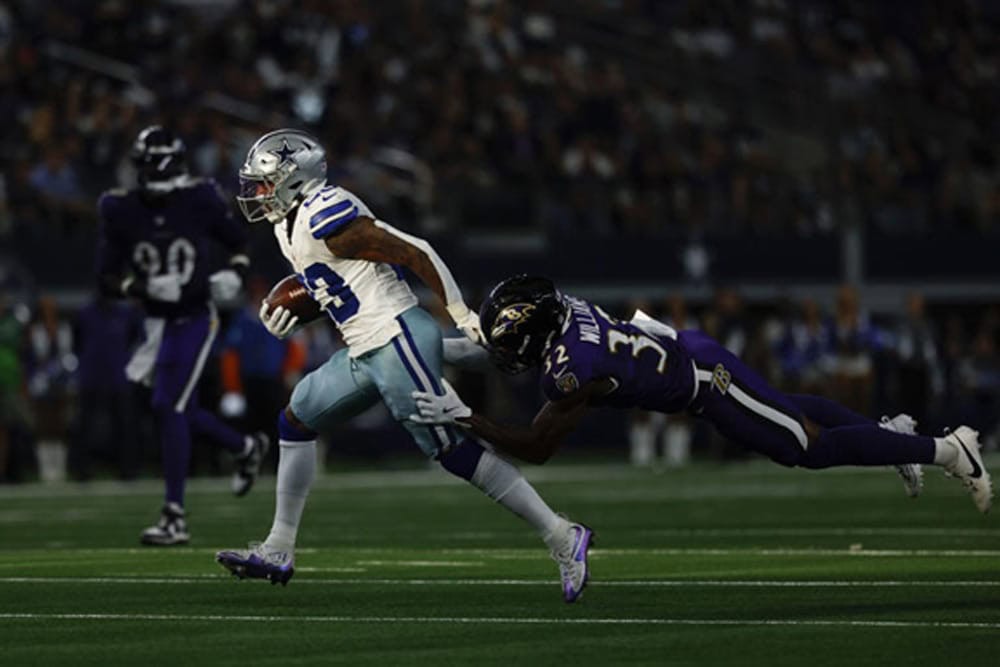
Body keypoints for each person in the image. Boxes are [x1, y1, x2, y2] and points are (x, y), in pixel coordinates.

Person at [215, 129, 592, 603]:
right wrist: (299, 307)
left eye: (266, 184)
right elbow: (335, 279)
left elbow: (416, 251)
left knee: (450, 450)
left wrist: (461, 314)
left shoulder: (325, 214)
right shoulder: (287, 224)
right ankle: (278, 548)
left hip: (396, 334)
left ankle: (561, 534)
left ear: (295, 180)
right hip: (365, 348)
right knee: (296, 418)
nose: (258, 194)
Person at [411, 275, 993, 514]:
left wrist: (469, 417)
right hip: (687, 346)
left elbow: (537, 446)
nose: (512, 353)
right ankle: (891, 434)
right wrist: (431, 347)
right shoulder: (570, 313)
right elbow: (504, 346)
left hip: (709, 387)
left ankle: (949, 450)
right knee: (792, 408)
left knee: (805, 447)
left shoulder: (567, 367)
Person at [96, 125, 270, 545]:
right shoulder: (120, 209)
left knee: (167, 405)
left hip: (195, 316)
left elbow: (239, 241)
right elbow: (106, 278)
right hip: (156, 323)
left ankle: (175, 516)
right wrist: (139, 288)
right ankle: (245, 447)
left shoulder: (199, 199)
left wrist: (237, 272)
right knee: (180, 409)